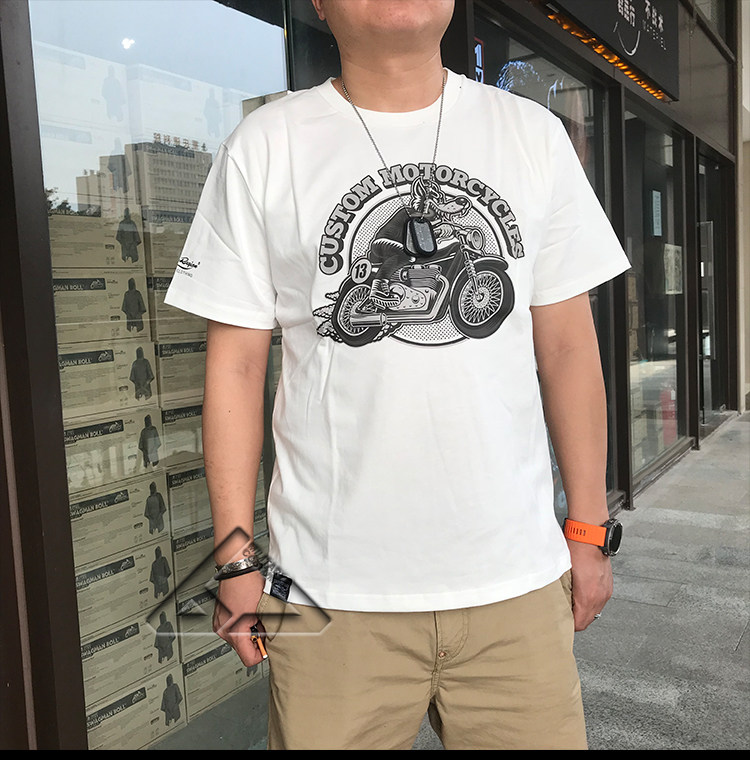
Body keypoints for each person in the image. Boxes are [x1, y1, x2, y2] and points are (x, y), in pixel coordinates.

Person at [164, 0, 631, 750]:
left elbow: (570, 349)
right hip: (325, 592)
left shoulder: (532, 135)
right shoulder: (265, 144)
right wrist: (235, 557)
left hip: (515, 581)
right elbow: (237, 365)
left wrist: (588, 529)